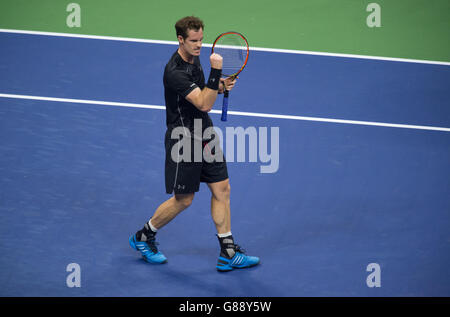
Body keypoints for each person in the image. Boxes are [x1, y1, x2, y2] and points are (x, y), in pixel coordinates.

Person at [129, 16, 259, 271]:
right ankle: (144, 236)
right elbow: (203, 103)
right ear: (180, 39)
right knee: (184, 199)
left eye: (201, 39)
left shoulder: (196, 57)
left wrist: (219, 86)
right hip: (184, 138)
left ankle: (228, 252)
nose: (199, 45)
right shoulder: (174, 71)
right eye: (193, 41)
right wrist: (216, 73)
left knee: (222, 189)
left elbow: (202, 92)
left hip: (204, 133)